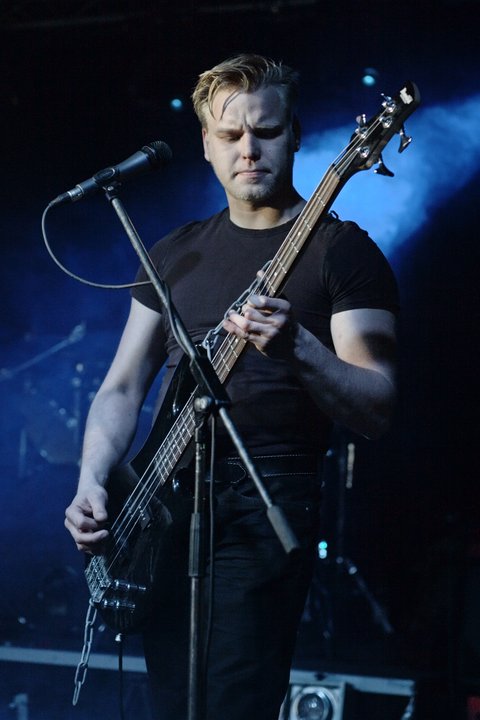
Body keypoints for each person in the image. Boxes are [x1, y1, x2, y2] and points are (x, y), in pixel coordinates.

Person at [65, 53, 399, 719]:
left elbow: (378, 404)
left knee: (232, 704)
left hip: (266, 499)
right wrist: (92, 480)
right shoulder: (175, 252)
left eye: (266, 131)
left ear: (295, 135)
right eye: (230, 134)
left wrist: (300, 349)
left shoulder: (344, 252)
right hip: (163, 508)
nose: (249, 148)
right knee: (172, 703)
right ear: (206, 145)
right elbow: (122, 388)